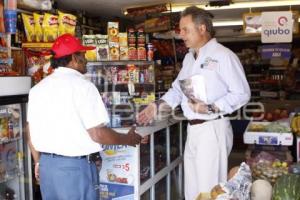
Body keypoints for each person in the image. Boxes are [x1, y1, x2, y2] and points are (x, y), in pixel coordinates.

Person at [137, 6, 250, 200]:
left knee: (209, 189)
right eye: (180, 30)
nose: (180, 34)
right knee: (192, 190)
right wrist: (156, 106)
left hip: (212, 128)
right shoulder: (190, 58)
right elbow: (177, 90)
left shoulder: (224, 56)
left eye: (185, 29)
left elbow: (242, 93)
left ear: (202, 28)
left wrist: (210, 107)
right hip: (194, 130)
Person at [26, 33, 142, 200]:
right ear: (74, 58)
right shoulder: (83, 86)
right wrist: (128, 139)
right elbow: (98, 133)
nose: (86, 59)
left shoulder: (38, 89)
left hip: (48, 168)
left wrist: (38, 161)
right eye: (83, 55)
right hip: (75, 170)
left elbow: (30, 131)